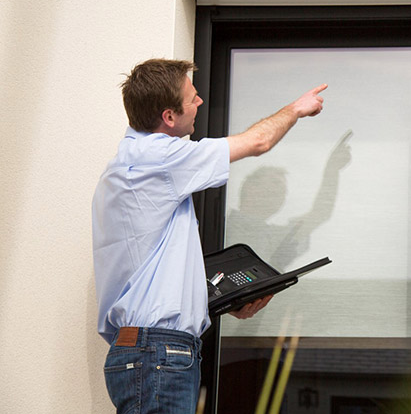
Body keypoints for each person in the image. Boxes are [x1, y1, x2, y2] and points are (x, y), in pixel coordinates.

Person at [92, 58, 327, 413]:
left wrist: (222, 302)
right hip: (158, 354)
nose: (200, 102)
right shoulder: (158, 158)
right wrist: (296, 108)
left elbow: (155, 273)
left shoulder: (133, 162)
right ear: (169, 117)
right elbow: (258, 142)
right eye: (192, 98)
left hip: (150, 352)